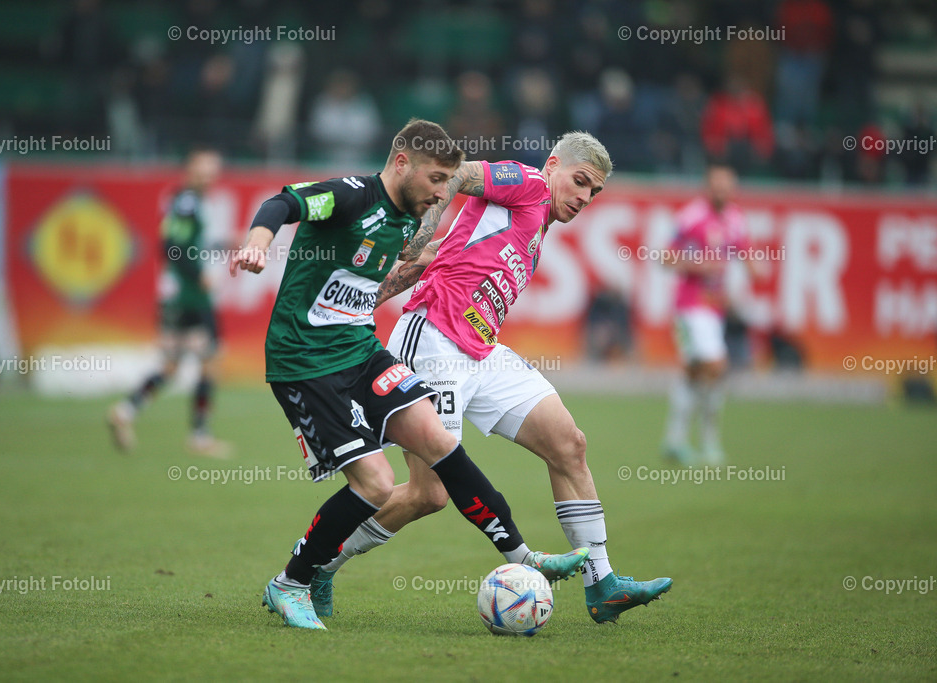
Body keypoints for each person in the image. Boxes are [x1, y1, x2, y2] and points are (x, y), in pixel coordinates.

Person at [229, 119, 588, 631]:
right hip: (305, 360)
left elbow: (399, 271)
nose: (444, 192)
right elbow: (283, 203)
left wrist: (387, 286)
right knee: (376, 484)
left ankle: (523, 555)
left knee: (437, 441)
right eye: (438, 180)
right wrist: (258, 242)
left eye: (449, 181)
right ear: (403, 164)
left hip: (360, 350)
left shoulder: (405, 221)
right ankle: (291, 582)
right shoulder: (351, 195)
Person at [314, 132, 673, 625]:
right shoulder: (528, 183)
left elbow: (425, 261)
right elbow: (460, 173)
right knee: (428, 494)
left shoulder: (529, 226)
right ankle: (317, 564)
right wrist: (428, 216)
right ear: (553, 166)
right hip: (435, 342)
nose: (585, 198)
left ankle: (603, 584)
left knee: (569, 444)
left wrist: (363, 302)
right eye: (580, 182)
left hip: (481, 353)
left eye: (595, 193)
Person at [107, 148, 231, 458]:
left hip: (174, 297)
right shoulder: (188, 202)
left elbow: (191, 242)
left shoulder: (188, 201)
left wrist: (225, 244)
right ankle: (200, 435)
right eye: (203, 169)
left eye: (213, 170)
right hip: (190, 296)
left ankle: (125, 411)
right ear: (189, 169)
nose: (209, 176)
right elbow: (172, 245)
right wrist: (198, 276)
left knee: (171, 366)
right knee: (209, 361)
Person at [662, 163, 762, 465]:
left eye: (726, 186)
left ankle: (676, 440)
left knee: (695, 374)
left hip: (714, 310)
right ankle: (707, 440)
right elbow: (666, 257)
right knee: (716, 366)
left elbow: (745, 253)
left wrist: (754, 271)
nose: (721, 191)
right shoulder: (691, 217)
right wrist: (699, 266)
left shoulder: (735, 219)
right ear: (707, 187)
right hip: (690, 308)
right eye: (716, 185)